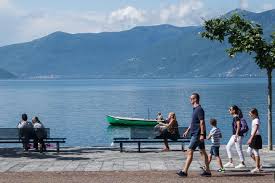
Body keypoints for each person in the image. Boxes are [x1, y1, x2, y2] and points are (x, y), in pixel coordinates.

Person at [177, 93, 211, 177]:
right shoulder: (195, 109)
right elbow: (193, 122)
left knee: (189, 151)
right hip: (196, 133)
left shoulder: (199, 109)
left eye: (191, 99)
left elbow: (202, 122)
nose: (190, 100)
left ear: (195, 99)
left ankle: (184, 171)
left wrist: (202, 134)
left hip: (197, 134)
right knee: (202, 152)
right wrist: (187, 130)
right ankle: (208, 171)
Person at [247, 108, 262, 173]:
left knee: (256, 152)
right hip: (254, 137)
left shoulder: (256, 120)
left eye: (250, 114)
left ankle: (257, 168)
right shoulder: (254, 120)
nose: (249, 115)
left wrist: (251, 138)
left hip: (256, 137)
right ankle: (258, 165)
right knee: (249, 151)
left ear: (254, 114)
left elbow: (256, 129)